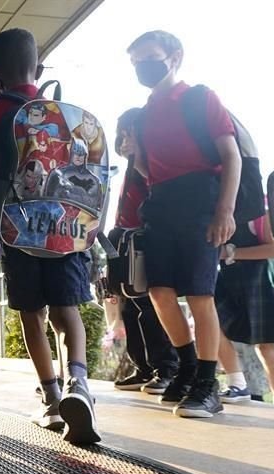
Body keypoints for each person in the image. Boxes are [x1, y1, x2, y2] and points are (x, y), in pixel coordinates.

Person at [0, 28, 98, 445]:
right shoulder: (67, 113)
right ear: (38, 69)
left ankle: (51, 398)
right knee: (67, 311)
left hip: (18, 227)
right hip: (65, 227)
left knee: (31, 313)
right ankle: (79, 382)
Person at [128, 30, 241, 419]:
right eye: (136, 62)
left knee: (198, 293)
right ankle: (188, 367)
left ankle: (208, 384)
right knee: (159, 292)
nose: (143, 67)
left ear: (174, 56)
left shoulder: (200, 98)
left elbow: (232, 156)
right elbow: (149, 173)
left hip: (200, 199)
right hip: (162, 203)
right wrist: (136, 155)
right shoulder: (143, 114)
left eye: (150, 58)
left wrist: (224, 211)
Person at [110, 108, 178, 394]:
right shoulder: (128, 167)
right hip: (126, 241)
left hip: (147, 241)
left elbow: (157, 190)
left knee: (149, 307)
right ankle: (143, 367)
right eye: (122, 135)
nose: (125, 141)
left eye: (130, 134)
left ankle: (167, 368)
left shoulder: (153, 163)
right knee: (130, 305)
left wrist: (138, 156)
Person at [215, 215, 274, 405]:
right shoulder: (213, 212)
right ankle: (237, 383)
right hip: (227, 283)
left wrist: (230, 252)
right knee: (214, 331)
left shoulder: (260, 213)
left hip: (259, 283)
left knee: (266, 347)